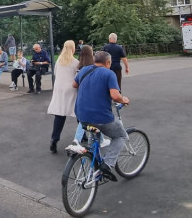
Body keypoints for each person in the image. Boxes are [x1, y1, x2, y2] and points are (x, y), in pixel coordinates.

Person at [72, 51, 130, 182]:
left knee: (94, 134)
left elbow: (74, 84)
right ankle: (107, 164)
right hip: (101, 117)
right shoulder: (109, 73)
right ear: (108, 62)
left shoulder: (84, 70)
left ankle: (92, 162)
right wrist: (124, 100)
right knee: (120, 135)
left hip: (81, 115)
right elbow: (115, 96)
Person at [47, 40, 79, 154]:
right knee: (78, 112)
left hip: (59, 89)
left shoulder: (59, 60)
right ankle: (81, 135)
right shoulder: (75, 62)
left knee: (60, 115)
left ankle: (54, 139)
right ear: (73, 48)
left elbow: (56, 73)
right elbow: (77, 77)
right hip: (71, 89)